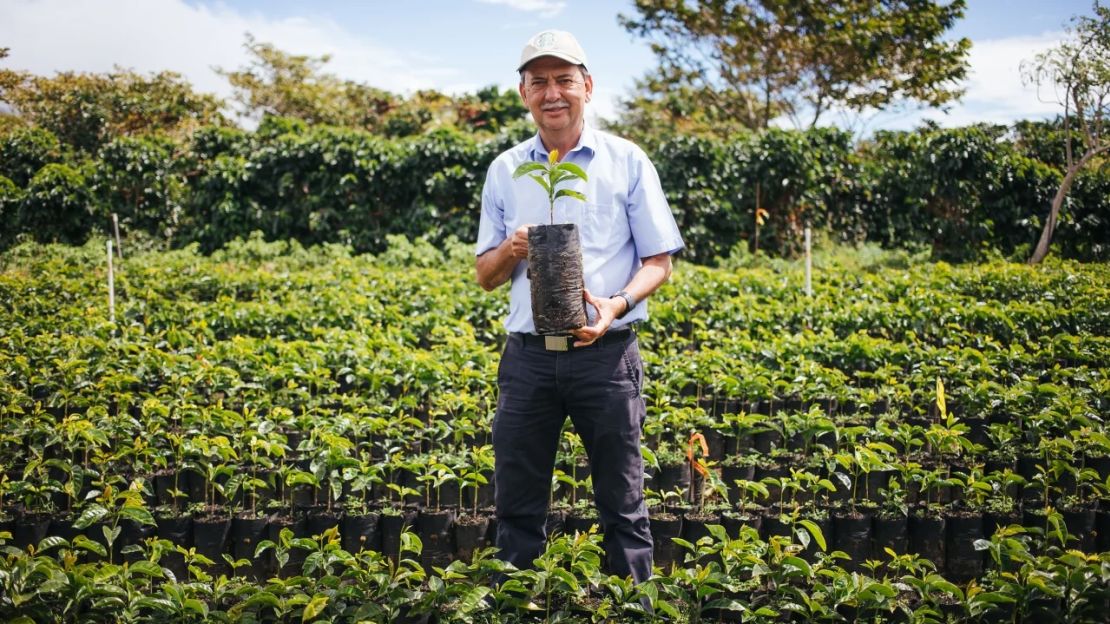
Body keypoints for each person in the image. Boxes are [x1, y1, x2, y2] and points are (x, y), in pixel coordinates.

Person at [474, 29, 684, 584]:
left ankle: (635, 604)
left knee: (623, 499)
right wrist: (510, 248)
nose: (552, 93)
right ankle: (516, 601)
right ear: (523, 93)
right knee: (516, 501)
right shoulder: (505, 170)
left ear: (587, 87)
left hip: (606, 356)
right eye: (538, 81)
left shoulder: (626, 161)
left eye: (564, 80)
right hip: (528, 359)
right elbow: (485, 276)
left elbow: (659, 261)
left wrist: (616, 304)